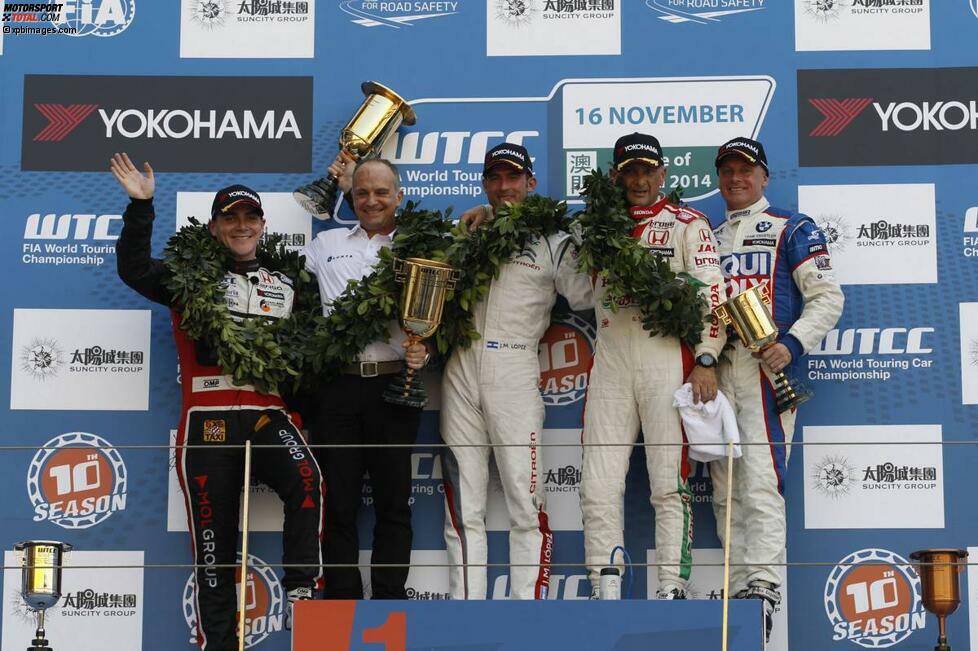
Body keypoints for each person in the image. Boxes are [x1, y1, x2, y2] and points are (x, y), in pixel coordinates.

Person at [112, 152, 323, 650]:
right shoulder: (189, 280)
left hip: (267, 415)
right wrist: (141, 206)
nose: (242, 226)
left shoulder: (289, 287)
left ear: (263, 225)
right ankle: (220, 644)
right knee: (214, 548)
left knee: (308, 478)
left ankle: (300, 592)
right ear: (214, 228)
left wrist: (302, 412)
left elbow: (307, 362)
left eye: (250, 217)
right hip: (207, 421)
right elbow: (135, 267)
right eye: (231, 218)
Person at [441, 143, 593, 599]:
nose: (503, 187)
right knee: (462, 504)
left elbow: (586, 296)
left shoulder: (554, 241)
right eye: (494, 178)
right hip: (460, 365)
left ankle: (527, 609)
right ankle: (466, 609)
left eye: (512, 178)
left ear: (531, 183)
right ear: (486, 184)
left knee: (525, 501)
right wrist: (468, 226)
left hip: (514, 363)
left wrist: (586, 237)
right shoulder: (466, 232)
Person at [579, 133, 726, 599]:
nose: (639, 180)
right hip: (611, 360)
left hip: (667, 358)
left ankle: (671, 585)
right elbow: (578, 293)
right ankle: (605, 585)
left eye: (647, 170)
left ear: (663, 172)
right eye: (629, 171)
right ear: (615, 176)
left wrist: (706, 357)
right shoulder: (594, 228)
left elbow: (713, 294)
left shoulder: (687, 223)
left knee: (668, 481)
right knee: (597, 482)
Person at [709, 137, 843, 638]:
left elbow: (827, 298)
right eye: (727, 170)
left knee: (761, 480)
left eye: (745, 170)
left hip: (767, 370)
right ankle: (736, 584)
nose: (736, 178)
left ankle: (762, 586)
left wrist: (792, 343)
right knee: (725, 487)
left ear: (764, 176)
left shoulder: (793, 226)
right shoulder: (709, 235)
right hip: (717, 371)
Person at [302, 156, 428, 599]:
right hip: (337, 389)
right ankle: (342, 600)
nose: (371, 200)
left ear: (399, 196)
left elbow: (443, 317)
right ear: (349, 196)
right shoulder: (324, 244)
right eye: (361, 192)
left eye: (380, 192)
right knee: (338, 503)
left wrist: (425, 348)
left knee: (395, 504)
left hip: (395, 385)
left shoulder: (420, 247)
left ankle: (391, 601)